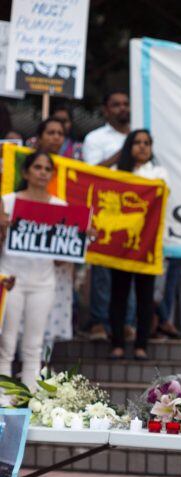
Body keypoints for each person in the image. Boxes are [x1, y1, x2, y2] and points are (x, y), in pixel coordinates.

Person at [0, 152, 67, 389]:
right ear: (26, 172)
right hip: (10, 279)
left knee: (33, 346)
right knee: (6, 345)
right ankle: (3, 399)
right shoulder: (7, 202)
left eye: (47, 169)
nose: (42, 172)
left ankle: (30, 402)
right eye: (37, 167)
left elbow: (61, 260)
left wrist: (78, 240)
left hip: (43, 283)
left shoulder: (61, 207)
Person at [109, 130, 168, 360]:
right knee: (119, 294)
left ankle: (141, 344)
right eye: (137, 143)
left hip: (148, 244)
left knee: (145, 296)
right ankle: (117, 344)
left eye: (147, 143)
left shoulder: (159, 173)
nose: (142, 147)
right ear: (128, 146)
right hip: (121, 243)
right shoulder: (116, 173)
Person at [82, 90, 132, 342]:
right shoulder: (95, 138)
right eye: (116, 105)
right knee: (101, 270)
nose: (122, 108)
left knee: (132, 267)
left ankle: (127, 323)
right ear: (105, 110)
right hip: (104, 214)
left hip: (131, 214)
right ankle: (99, 322)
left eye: (125, 104)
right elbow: (90, 173)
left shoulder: (140, 136)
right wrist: (124, 154)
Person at [31, 119, 76, 352]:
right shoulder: (18, 162)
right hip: (22, 266)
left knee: (49, 314)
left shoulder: (74, 170)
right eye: (50, 132)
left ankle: (42, 370)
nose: (56, 137)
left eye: (60, 133)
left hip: (55, 266)